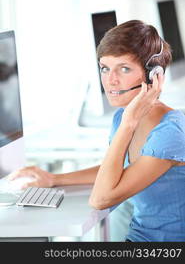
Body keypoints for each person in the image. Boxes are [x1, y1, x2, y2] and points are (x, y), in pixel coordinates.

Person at [8, 20, 185, 242]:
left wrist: (129, 123)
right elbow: (118, 170)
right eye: (105, 68)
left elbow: (101, 198)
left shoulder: (170, 131)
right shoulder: (122, 116)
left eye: (124, 68)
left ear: (153, 76)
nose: (110, 80)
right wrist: (54, 178)